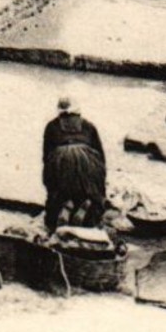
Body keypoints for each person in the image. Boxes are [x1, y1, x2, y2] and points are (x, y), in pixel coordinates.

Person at [41, 97, 107, 232]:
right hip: (88, 158)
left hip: (61, 158)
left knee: (57, 193)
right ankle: (88, 202)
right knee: (91, 189)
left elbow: (46, 157)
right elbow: (101, 156)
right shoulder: (89, 126)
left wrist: (51, 188)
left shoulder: (52, 126)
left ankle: (65, 203)